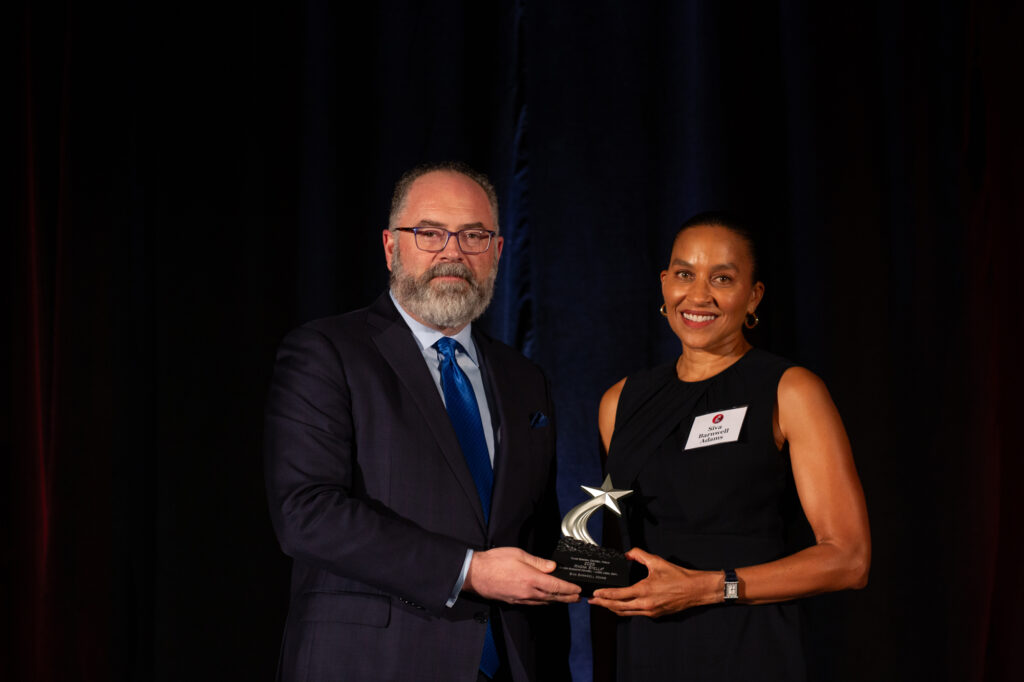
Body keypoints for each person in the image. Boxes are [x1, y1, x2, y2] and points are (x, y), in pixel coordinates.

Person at [264, 162, 579, 682]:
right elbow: (307, 514)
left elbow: (538, 531)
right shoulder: (326, 352)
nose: (452, 252)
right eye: (430, 233)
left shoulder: (525, 379)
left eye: (474, 235)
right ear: (391, 247)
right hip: (371, 663)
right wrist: (469, 571)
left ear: (498, 251)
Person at [588, 213, 871, 681]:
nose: (699, 296)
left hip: (749, 645)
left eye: (722, 278)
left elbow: (849, 559)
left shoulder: (790, 390)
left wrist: (708, 588)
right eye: (685, 274)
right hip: (647, 651)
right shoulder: (619, 401)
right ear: (664, 283)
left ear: (753, 295)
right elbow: (617, 551)